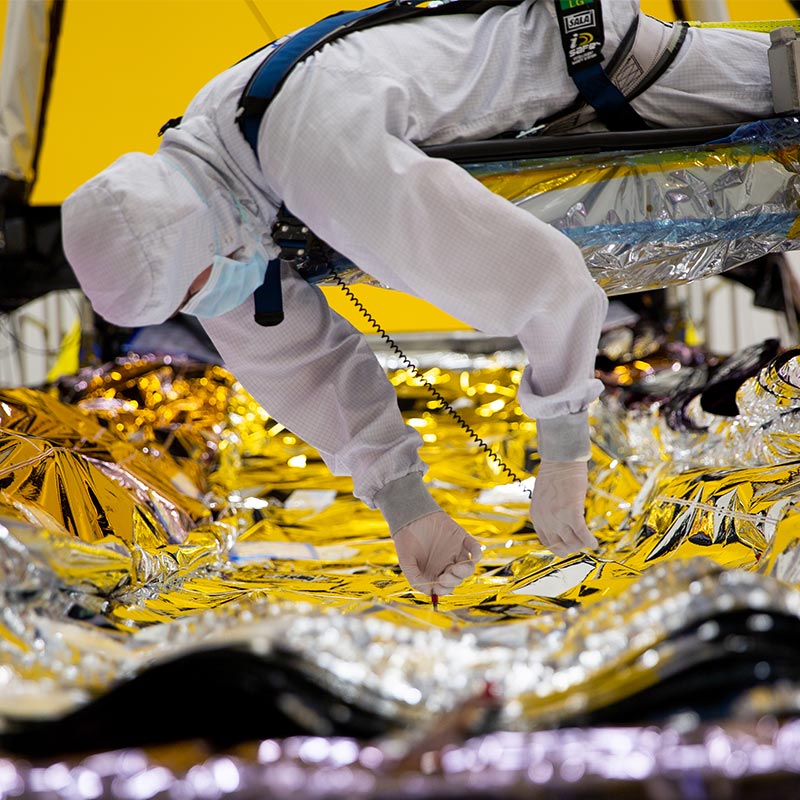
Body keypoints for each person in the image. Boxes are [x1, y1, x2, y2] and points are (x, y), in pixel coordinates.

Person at [60, 0, 774, 599]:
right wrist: (406, 506)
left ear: (195, 238)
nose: (207, 303)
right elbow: (293, 364)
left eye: (193, 289)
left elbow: (545, 282)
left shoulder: (313, 153)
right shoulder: (209, 183)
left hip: (613, 72)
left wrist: (563, 453)